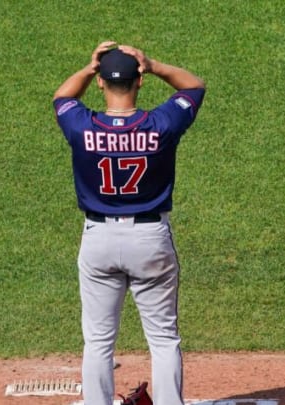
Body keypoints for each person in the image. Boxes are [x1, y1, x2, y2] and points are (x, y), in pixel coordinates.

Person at [52, 41, 206, 405]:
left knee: (99, 341)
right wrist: (153, 64)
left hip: (98, 239)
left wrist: (90, 68)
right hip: (150, 239)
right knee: (164, 339)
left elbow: (62, 96)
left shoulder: (80, 125)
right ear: (139, 81)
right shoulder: (162, 123)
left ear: (103, 84)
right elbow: (194, 86)